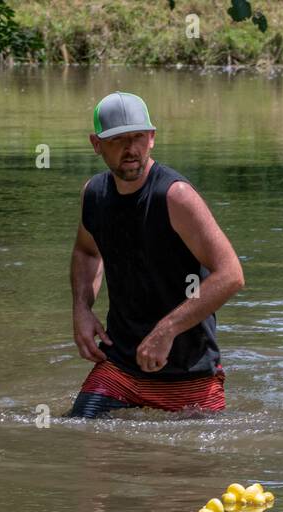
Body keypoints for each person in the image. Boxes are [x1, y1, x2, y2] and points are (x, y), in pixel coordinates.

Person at [66, 91, 244, 417]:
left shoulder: (175, 196)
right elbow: (87, 252)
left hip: (190, 371)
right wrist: (82, 308)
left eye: (137, 137)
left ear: (152, 139)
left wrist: (167, 330)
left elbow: (231, 274)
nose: (130, 149)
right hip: (119, 366)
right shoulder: (94, 194)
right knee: (81, 436)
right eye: (118, 140)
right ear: (96, 144)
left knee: (190, 462)